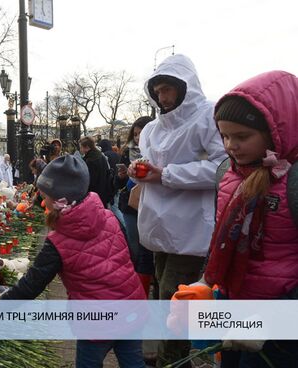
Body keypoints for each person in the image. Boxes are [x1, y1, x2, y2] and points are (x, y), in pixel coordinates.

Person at [173, 71, 298, 367]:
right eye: (225, 135)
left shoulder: (293, 182)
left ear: (277, 131)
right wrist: (206, 282)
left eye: (242, 136)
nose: (231, 145)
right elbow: (221, 238)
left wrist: (275, 322)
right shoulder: (226, 175)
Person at [127, 54, 227, 367]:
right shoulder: (151, 130)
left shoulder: (208, 116)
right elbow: (151, 167)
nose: (162, 97)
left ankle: (174, 360)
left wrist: (166, 174)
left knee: (175, 299)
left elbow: (221, 168)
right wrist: (138, 169)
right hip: (157, 226)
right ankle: (166, 356)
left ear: (185, 87)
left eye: (168, 89)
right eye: (158, 91)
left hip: (190, 229)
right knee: (164, 293)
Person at [2, 155, 145, 368]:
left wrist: (0, 305)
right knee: (133, 363)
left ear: (59, 200)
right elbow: (130, 256)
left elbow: (33, 283)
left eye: (44, 196)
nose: (42, 200)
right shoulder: (109, 216)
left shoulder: (58, 241)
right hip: (132, 308)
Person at [115, 116, 154, 294]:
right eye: (136, 134)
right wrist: (124, 176)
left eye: (141, 133)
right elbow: (121, 184)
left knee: (149, 250)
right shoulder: (127, 152)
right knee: (136, 246)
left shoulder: (157, 152)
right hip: (131, 205)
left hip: (151, 207)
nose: (138, 137)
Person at [79, 137, 113, 207]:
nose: (80, 149)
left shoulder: (90, 160)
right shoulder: (101, 156)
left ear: (87, 147)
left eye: (81, 147)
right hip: (104, 193)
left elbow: (90, 181)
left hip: (94, 197)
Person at [99, 138, 124, 226]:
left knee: (114, 208)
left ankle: (124, 227)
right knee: (116, 206)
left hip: (110, 185)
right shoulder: (117, 155)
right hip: (118, 183)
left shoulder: (104, 156)